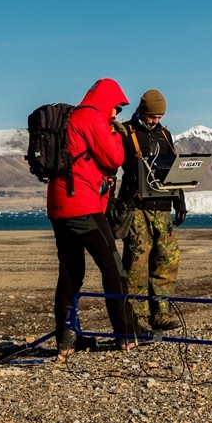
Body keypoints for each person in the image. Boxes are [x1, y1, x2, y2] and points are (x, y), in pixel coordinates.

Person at [47, 78, 145, 356]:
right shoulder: (92, 117)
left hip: (59, 205)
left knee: (70, 271)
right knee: (112, 266)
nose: (116, 114)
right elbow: (114, 158)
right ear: (107, 101)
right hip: (82, 204)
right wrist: (117, 135)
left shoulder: (71, 118)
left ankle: (66, 338)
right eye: (116, 107)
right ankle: (127, 333)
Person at [117, 89, 187, 331]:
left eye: (159, 116)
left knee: (167, 259)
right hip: (136, 209)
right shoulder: (126, 133)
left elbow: (175, 172)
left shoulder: (165, 135)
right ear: (142, 111)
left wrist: (180, 201)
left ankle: (161, 313)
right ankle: (138, 318)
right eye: (152, 116)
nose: (155, 121)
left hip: (162, 209)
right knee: (137, 263)